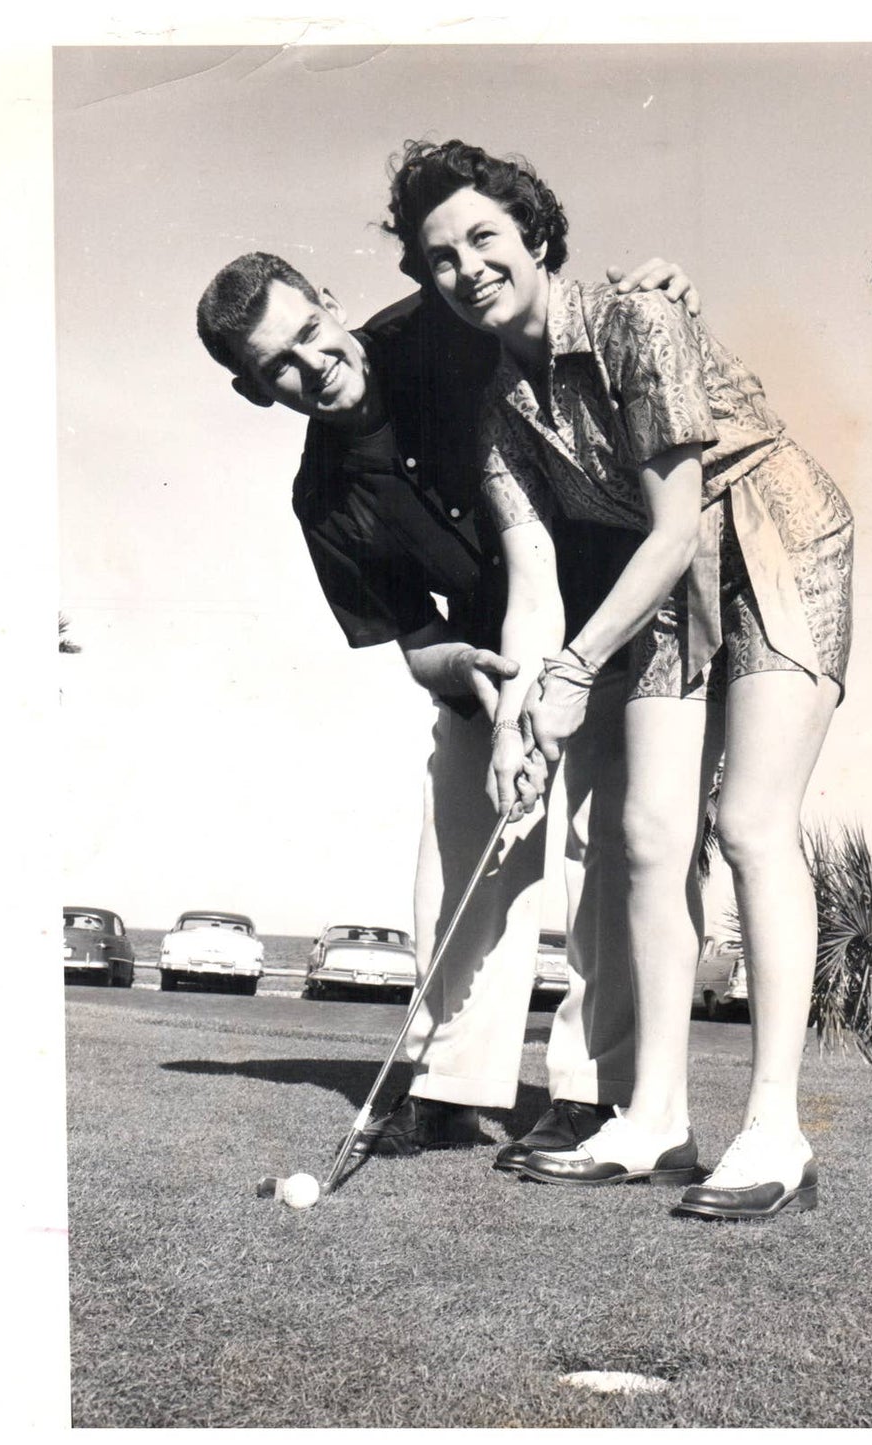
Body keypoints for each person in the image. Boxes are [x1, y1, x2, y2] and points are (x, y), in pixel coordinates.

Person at [384, 139, 854, 1219]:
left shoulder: (638, 319)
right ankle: (653, 1116)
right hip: (664, 578)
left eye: (482, 238)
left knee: (746, 821)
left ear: (536, 236)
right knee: (646, 835)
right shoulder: (497, 411)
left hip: (776, 537)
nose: (465, 268)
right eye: (439, 258)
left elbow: (678, 516)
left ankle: (775, 1129)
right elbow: (535, 576)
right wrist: (519, 722)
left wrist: (572, 672)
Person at [195, 250, 701, 1170]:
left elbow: (559, 315)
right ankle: (450, 1088)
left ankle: (591, 1093)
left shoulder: (438, 326)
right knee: (462, 852)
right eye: (280, 366)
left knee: (608, 854)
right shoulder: (321, 498)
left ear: (328, 303)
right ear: (254, 390)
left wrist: (651, 287)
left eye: (309, 332)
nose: (313, 365)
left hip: (610, 614)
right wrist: (459, 667)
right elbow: (411, 640)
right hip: (489, 668)